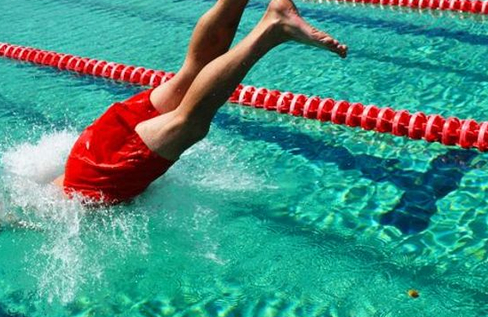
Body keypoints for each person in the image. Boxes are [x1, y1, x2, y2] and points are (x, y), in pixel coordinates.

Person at [53, 0, 347, 204]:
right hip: (89, 149)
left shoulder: (34, 214)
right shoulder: (37, 190)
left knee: (189, 121)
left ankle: (273, 28)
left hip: (98, 179)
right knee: (189, 76)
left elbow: (6, 218)